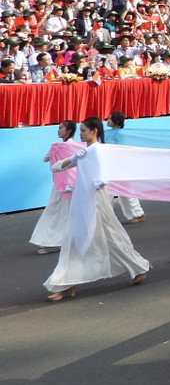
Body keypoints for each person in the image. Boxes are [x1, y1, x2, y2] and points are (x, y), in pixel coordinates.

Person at [44, 117, 151, 301]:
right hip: (81, 201)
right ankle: (64, 284)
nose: (81, 134)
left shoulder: (97, 151)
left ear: (94, 131)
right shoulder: (85, 152)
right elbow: (55, 168)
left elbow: (102, 176)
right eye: (80, 130)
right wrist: (72, 158)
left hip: (94, 201)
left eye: (83, 130)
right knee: (75, 239)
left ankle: (139, 265)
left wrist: (97, 179)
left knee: (108, 236)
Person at [30, 120, 78, 254]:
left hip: (62, 186)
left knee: (54, 212)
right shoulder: (74, 147)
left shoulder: (58, 146)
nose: (58, 130)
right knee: (67, 212)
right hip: (71, 185)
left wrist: (55, 151)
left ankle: (49, 241)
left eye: (61, 128)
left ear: (69, 130)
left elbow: (45, 159)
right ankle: (59, 240)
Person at [106, 112, 146, 224]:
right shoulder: (107, 134)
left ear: (117, 121)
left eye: (110, 119)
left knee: (123, 192)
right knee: (111, 192)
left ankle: (137, 214)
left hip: (120, 167)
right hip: (110, 166)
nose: (107, 121)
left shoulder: (122, 135)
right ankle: (107, 217)